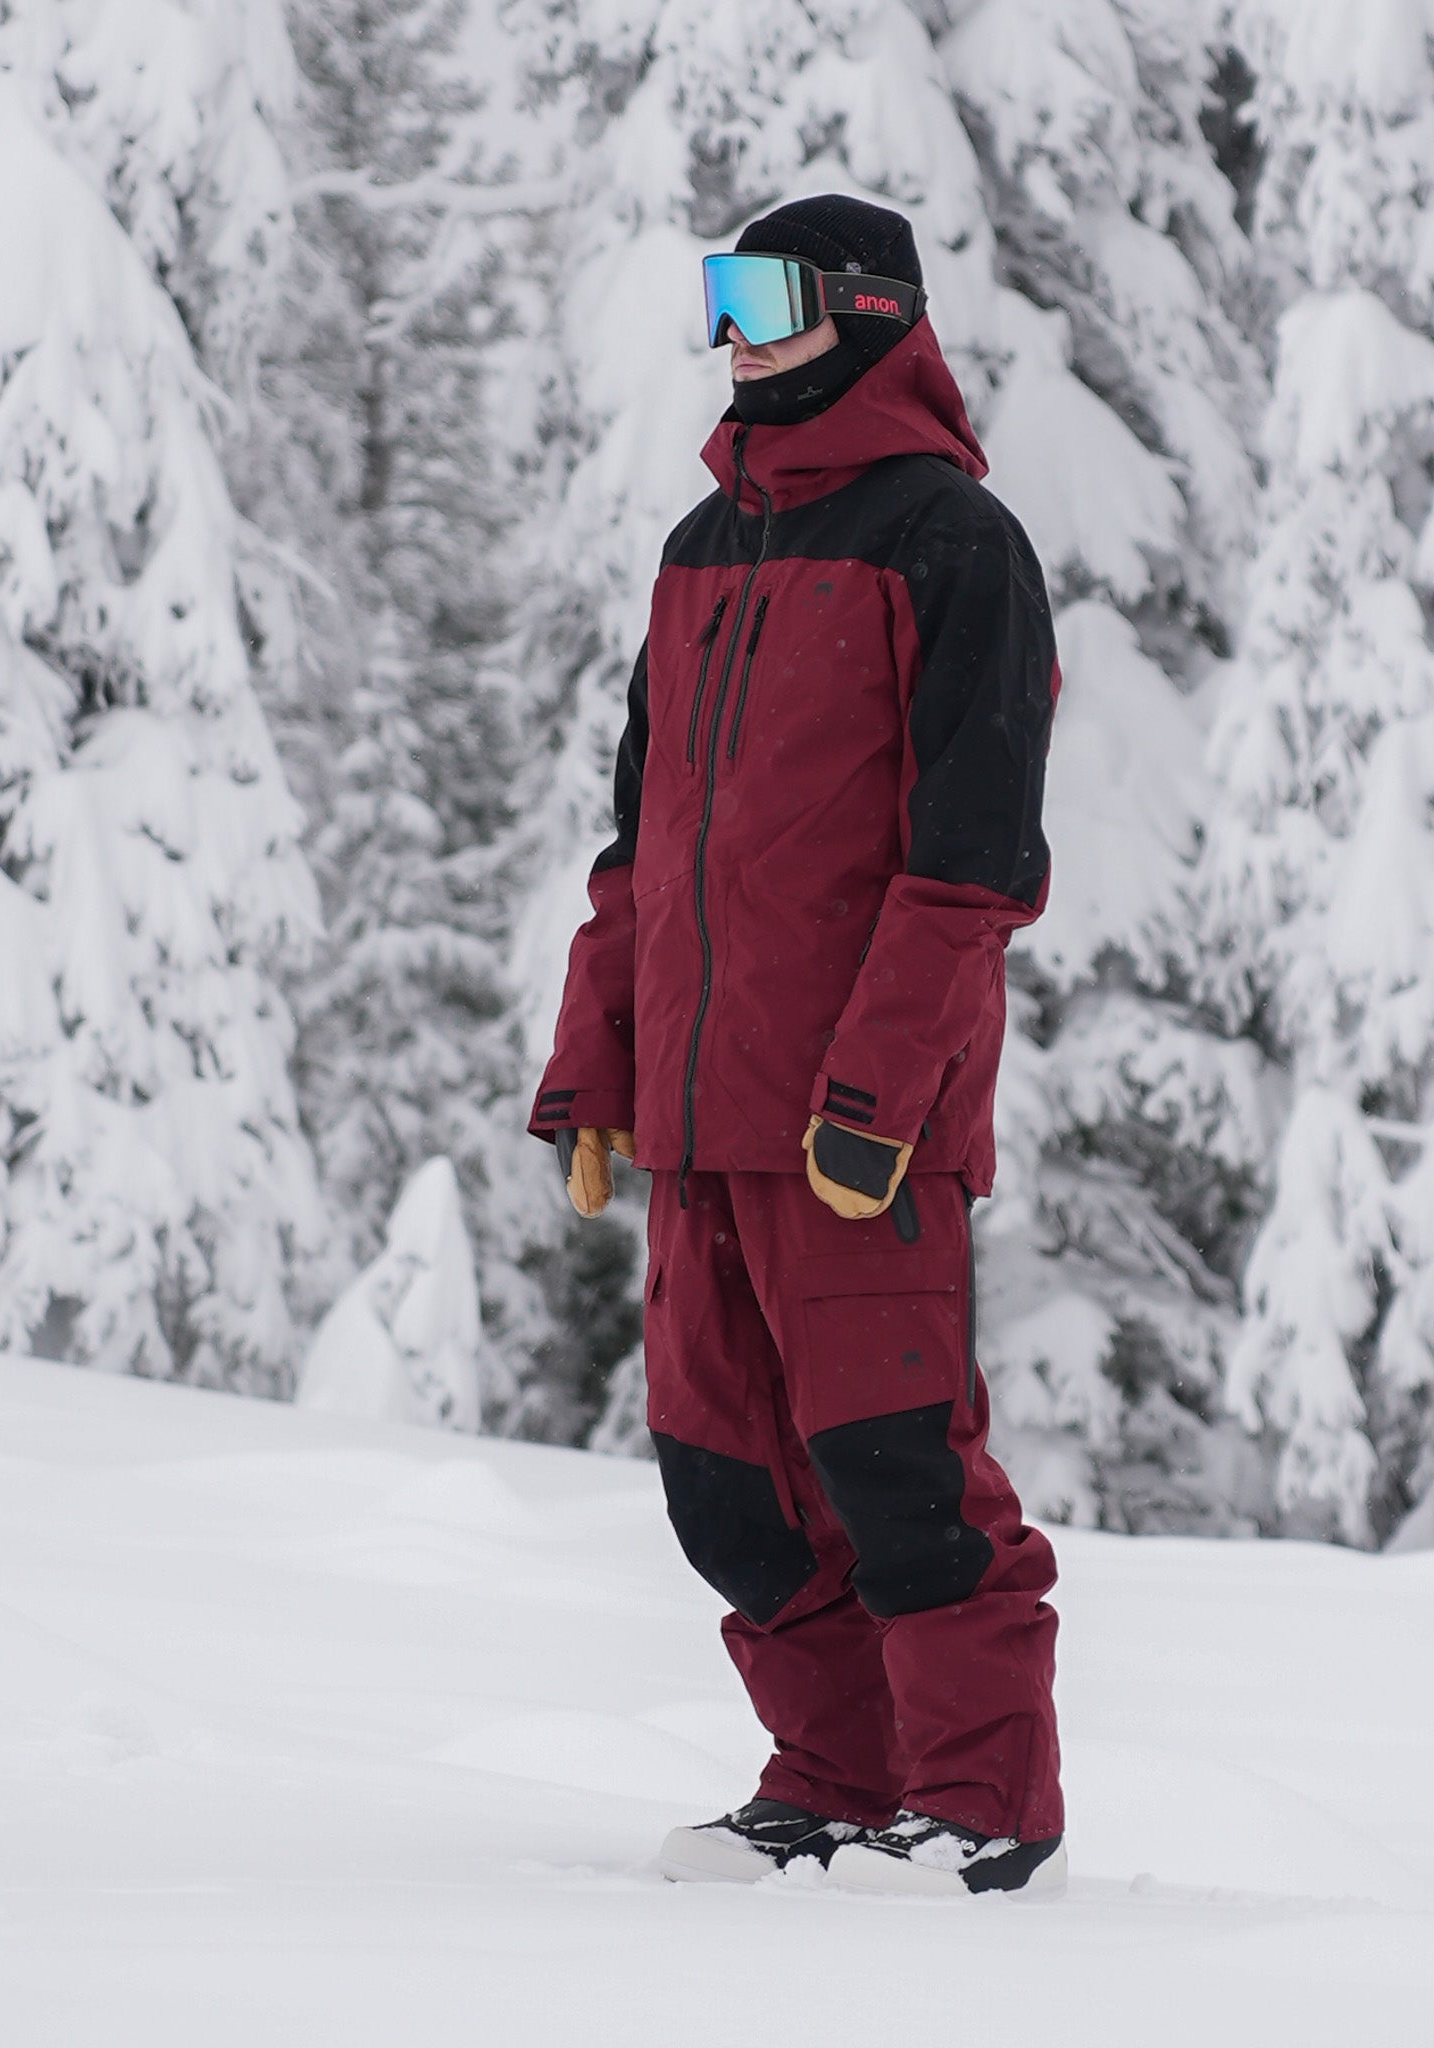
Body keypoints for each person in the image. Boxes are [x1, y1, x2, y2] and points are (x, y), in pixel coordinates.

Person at [530, 194, 1065, 1897]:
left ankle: (985, 1807)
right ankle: (833, 1783)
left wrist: (875, 1093)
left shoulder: (950, 542)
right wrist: (597, 1070)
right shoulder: (704, 548)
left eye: (764, 296)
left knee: (894, 1467)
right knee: (728, 1487)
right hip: (698, 1117)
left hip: (856, 1125)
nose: (733, 332)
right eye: (717, 296)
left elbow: (972, 866)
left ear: (870, 311)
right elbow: (641, 847)